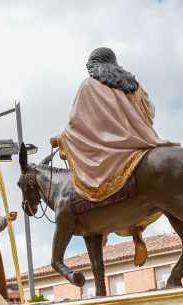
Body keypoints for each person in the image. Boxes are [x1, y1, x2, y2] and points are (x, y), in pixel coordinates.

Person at [50, 47, 174, 257]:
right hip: (140, 145)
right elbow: (150, 112)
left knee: (91, 186)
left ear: (93, 64)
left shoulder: (89, 85)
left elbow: (77, 122)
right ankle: (136, 230)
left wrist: (61, 138)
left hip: (109, 149)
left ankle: (99, 226)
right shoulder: (134, 85)